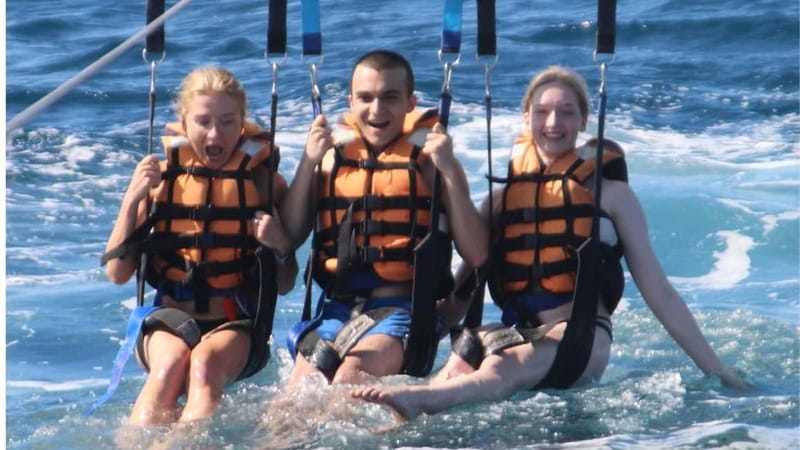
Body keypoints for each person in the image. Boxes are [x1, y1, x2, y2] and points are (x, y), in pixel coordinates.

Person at [349, 65, 751, 421]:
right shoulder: (500, 202)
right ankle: (403, 420)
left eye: (566, 112)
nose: (553, 122)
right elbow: (462, 292)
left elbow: (658, 290)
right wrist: (416, 340)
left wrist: (716, 370)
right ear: (527, 118)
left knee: (503, 367)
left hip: (579, 338)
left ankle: (419, 401)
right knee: (461, 359)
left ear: (583, 122)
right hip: (516, 332)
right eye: (542, 112)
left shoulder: (612, 197)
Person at [279, 50, 487, 387]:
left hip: (403, 312)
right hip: (336, 311)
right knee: (300, 388)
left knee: (349, 375)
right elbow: (288, 238)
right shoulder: (330, 160)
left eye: (390, 97)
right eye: (365, 98)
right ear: (351, 102)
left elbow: (477, 254)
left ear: (410, 102)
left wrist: (449, 169)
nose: (376, 110)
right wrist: (308, 162)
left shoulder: (433, 163)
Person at [103, 66, 298, 425]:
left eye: (227, 122)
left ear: (243, 123)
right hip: (168, 320)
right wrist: (132, 198)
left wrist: (280, 245)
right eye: (203, 121)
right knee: (169, 366)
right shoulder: (159, 182)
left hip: (235, 325)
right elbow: (117, 274)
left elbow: (285, 283)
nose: (215, 134)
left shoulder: (263, 184)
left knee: (204, 364)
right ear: (184, 121)